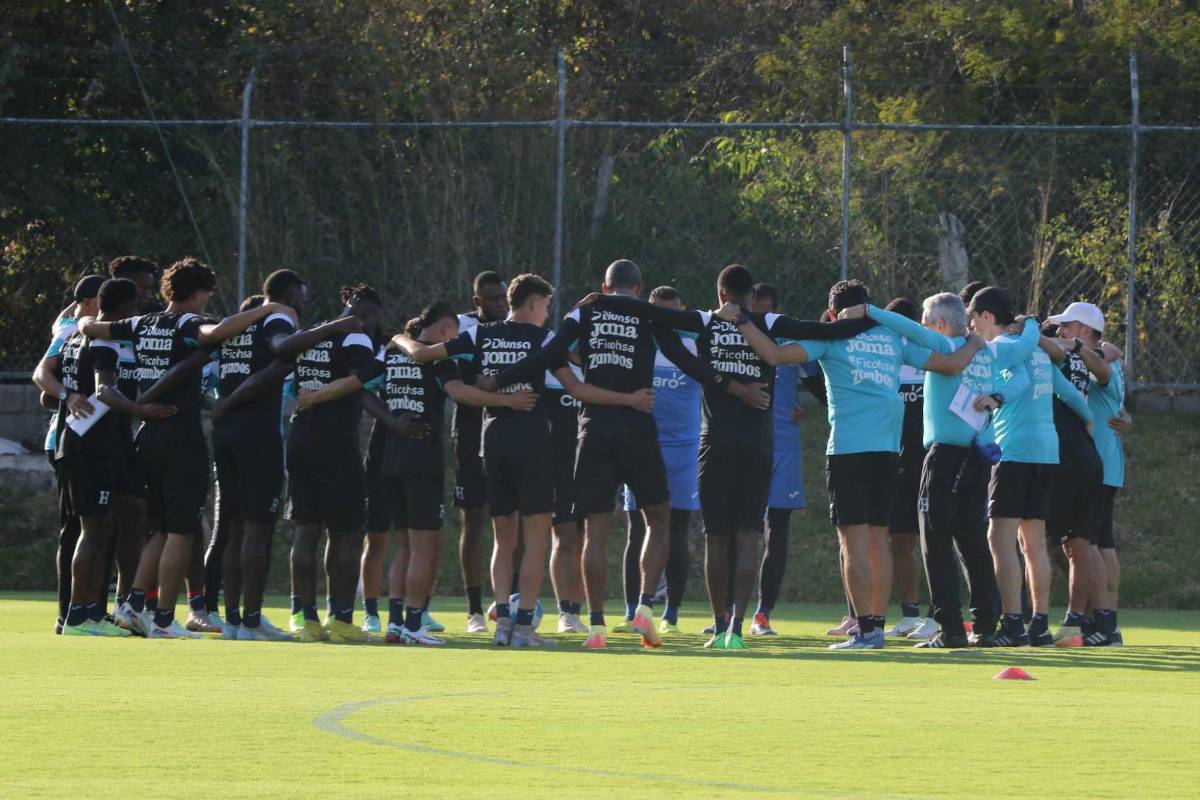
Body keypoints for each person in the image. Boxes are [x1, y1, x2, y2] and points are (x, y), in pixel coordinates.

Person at [483, 259, 754, 650]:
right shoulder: (647, 315)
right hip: (637, 427)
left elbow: (549, 353)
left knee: (595, 529)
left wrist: (498, 379)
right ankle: (645, 605)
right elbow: (687, 360)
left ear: (604, 287)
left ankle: (594, 625)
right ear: (639, 288)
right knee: (659, 519)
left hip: (592, 430)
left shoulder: (585, 313)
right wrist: (731, 386)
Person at [724, 279, 983, 650]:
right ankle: (874, 626)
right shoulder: (892, 337)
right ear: (868, 306)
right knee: (879, 540)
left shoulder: (830, 337)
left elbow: (775, 356)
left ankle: (865, 630)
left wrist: (745, 323)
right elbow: (949, 357)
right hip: (886, 453)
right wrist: (973, 341)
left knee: (852, 544)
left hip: (848, 451)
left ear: (832, 313)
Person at [399, 275, 656, 646]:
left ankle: (501, 622)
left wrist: (396, 339)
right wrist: (630, 400)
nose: (547, 313)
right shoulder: (545, 339)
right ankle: (523, 628)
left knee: (503, 541)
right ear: (535, 303)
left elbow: (422, 354)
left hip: (492, 442)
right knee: (536, 539)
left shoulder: (481, 335)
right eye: (547, 306)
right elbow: (578, 388)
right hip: (533, 443)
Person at [82, 257, 293, 638]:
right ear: (197, 294)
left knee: (159, 530)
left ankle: (132, 606)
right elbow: (216, 333)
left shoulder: (142, 322)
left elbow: (94, 327)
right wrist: (271, 308)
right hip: (180, 433)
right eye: (206, 295)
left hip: (147, 434)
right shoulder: (189, 322)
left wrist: (80, 321)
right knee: (182, 531)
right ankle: (163, 618)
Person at [305, 301, 537, 645]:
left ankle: (397, 623)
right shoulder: (438, 357)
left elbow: (356, 386)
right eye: (453, 332)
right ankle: (414, 624)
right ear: (446, 330)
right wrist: (507, 401)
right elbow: (458, 393)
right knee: (424, 545)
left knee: (404, 545)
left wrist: (314, 396)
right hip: (422, 460)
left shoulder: (391, 354)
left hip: (390, 460)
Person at [849, 293, 1036, 647]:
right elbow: (1024, 368)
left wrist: (869, 311)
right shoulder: (989, 350)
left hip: (945, 455)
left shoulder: (945, 344)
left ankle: (949, 627)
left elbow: (905, 328)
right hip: (977, 455)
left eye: (925, 320)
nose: (921, 326)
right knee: (972, 542)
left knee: (935, 540)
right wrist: (1029, 331)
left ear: (938, 324)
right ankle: (984, 625)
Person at [209, 270, 357, 641]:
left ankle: (232, 621)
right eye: (303, 299)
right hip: (256, 435)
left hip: (225, 433)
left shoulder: (238, 326)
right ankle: (252, 620)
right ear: (290, 295)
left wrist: (222, 405)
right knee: (256, 529)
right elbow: (279, 353)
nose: (303, 308)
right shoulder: (278, 318)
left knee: (235, 528)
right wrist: (331, 328)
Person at [966, 287, 1093, 647]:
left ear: (989, 317)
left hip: (1015, 450)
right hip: (1045, 451)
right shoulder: (1037, 350)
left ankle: (1013, 622)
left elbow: (1017, 384)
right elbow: (1067, 392)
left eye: (975, 320)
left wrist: (996, 398)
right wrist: (1090, 421)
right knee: (1033, 540)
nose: (974, 328)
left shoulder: (1004, 347)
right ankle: (1038, 621)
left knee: (999, 537)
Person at [54, 277, 175, 635]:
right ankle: (79, 615)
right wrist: (142, 411)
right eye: (135, 302)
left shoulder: (79, 334)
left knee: (128, 514)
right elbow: (104, 391)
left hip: (102, 444)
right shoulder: (102, 337)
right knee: (94, 529)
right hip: (88, 444)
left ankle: (118, 607)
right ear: (125, 306)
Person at [618, 286, 702, 636]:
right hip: (642, 444)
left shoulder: (696, 343)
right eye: (659, 313)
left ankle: (671, 614)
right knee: (637, 529)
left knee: (678, 529)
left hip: (683, 449)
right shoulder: (638, 341)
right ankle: (632, 611)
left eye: (673, 313)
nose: (666, 320)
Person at [747, 283, 825, 637]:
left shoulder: (790, 344)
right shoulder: (733, 336)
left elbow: (819, 384)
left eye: (766, 311)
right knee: (738, 528)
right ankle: (727, 611)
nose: (760, 316)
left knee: (775, 530)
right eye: (755, 309)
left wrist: (830, 409)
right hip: (744, 443)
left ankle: (763, 613)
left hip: (784, 446)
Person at [1047, 302, 1126, 646]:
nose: (1062, 332)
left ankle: (1105, 624)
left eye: (1069, 327)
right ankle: (1103, 620)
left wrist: (1077, 347)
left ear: (1085, 331)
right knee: (1098, 544)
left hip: (1098, 460)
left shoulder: (1098, 357)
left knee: (1090, 545)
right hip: (1101, 460)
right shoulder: (1092, 356)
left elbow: (1105, 361)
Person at [32, 275, 103, 633]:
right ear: (92, 301)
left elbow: (64, 313)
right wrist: (66, 395)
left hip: (79, 439)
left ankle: (86, 610)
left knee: (91, 527)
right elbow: (41, 374)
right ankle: (69, 612)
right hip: (68, 438)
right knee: (76, 528)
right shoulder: (71, 332)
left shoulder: (68, 323)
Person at [449, 271, 509, 632]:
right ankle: (473, 610)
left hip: (507, 433)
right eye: (493, 299)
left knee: (510, 522)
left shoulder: (518, 330)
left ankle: (507, 601)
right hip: (471, 433)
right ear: (477, 302)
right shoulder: (464, 331)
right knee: (473, 522)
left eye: (504, 298)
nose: (501, 304)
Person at [881, 298, 935, 640]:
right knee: (900, 540)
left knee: (937, 539)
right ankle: (908, 613)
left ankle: (938, 613)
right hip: (897, 462)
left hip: (932, 460)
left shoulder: (931, 355)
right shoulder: (886, 358)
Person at [544, 362, 588, 634]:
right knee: (564, 536)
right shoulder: (551, 369)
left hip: (593, 465)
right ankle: (564, 613)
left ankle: (577, 610)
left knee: (587, 540)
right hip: (556, 469)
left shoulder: (598, 368)